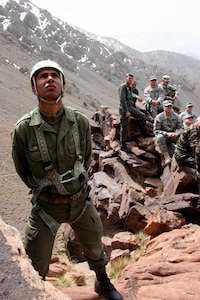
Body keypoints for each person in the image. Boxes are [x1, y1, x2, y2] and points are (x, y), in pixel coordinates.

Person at [11, 60, 123, 300]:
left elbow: (86, 157)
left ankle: (102, 282)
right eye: (42, 76)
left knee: (95, 246)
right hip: (46, 208)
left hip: (80, 201)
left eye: (55, 75)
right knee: (35, 263)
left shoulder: (79, 122)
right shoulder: (24, 129)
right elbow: (23, 170)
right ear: (34, 87)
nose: (49, 79)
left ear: (63, 84)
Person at [118, 73, 154, 153]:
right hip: (125, 109)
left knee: (142, 116)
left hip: (131, 107)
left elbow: (133, 95)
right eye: (129, 78)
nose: (130, 80)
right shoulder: (123, 87)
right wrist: (126, 111)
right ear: (126, 78)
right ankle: (123, 144)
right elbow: (122, 99)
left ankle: (145, 132)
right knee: (124, 126)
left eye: (131, 78)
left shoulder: (129, 88)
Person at [153, 100, 184, 167]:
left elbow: (182, 128)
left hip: (173, 135)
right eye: (167, 106)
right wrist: (166, 133)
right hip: (164, 136)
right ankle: (166, 156)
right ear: (163, 107)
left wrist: (177, 133)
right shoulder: (159, 117)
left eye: (170, 106)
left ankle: (182, 155)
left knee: (184, 138)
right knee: (159, 137)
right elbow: (156, 130)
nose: (169, 108)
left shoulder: (177, 116)